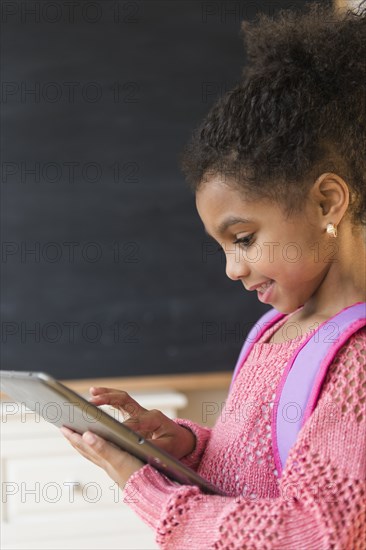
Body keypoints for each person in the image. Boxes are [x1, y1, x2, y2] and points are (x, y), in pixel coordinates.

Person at [61, 2, 366, 548]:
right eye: (222, 247)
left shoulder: (357, 362)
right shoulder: (275, 331)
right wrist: (185, 447)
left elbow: (318, 531)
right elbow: (257, 470)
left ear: (327, 202)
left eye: (244, 238)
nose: (232, 268)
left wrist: (147, 491)